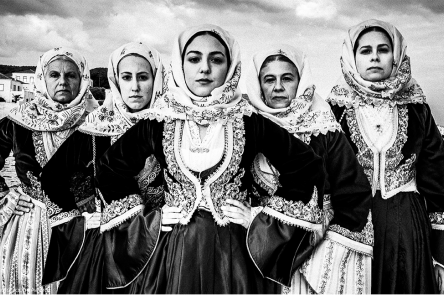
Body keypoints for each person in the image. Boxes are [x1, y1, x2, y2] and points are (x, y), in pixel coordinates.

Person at [95, 24, 326, 295]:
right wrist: (149, 219)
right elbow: (110, 170)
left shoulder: (248, 120)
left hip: (234, 252)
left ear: (229, 67)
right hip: (174, 251)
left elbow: (306, 165)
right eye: (194, 59)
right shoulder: (158, 120)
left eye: (215, 60)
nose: (204, 68)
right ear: (181, 65)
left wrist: (260, 218)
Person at [327, 19, 444, 295]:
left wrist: (440, 253)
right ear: (352, 58)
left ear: (396, 56)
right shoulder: (334, 110)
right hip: (349, 229)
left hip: (406, 227)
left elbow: (437, 180)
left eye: (383, 49)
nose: (375, 57)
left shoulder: (417, 109)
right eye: (365, 51)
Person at [246, 44, 373, 294]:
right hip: (252, 249)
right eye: (269, 79)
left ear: (301, 80)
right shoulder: (246, 124)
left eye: (287, 78)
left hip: (312, 252)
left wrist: (320, 256)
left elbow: (353, 194)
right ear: (258, 84)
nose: (278, 87)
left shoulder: (324, 128)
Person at [41, 42, 165, 295]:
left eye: (143, 77)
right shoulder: (97, 127)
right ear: (116, 81)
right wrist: (83, 215)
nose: (135, 87)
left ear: (157, 79)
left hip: (161, 238)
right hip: (109, 240)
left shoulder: (171, 123)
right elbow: (53, 177)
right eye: (126, 77)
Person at [0, 47, 97, 294]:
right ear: (42, 79)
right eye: (54, 75)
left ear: (83, 79)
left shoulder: (98, 122)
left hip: (84, 228)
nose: (62, 81)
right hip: (29, 227)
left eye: (71, 75)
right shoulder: (18, 121)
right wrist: (5, 195)